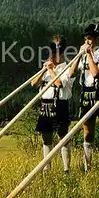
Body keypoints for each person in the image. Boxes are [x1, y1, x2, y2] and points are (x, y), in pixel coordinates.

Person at [69, 21, 99, 172]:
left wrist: (89, 54)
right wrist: (78, 56)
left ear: (96, 38)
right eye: (85, 39)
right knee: (87, 133)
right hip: (86, 93)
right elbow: (71, 73)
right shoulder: (83, 55)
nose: (86, 41)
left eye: (89, 38)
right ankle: (87, 167)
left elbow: (95, 72)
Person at [31, 35, 75, 173]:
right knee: (46, 136)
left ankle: (66, 169)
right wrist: (44, 70)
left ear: (61, 54)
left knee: (63, 136)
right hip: (45, 104)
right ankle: (46, 169)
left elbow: (59, 83)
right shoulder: (47, 67)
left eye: (54, 53)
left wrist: (50, 69)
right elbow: (34, 83)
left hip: (60, 104)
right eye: (51, 53)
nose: (52, 56)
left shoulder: (67, 68)